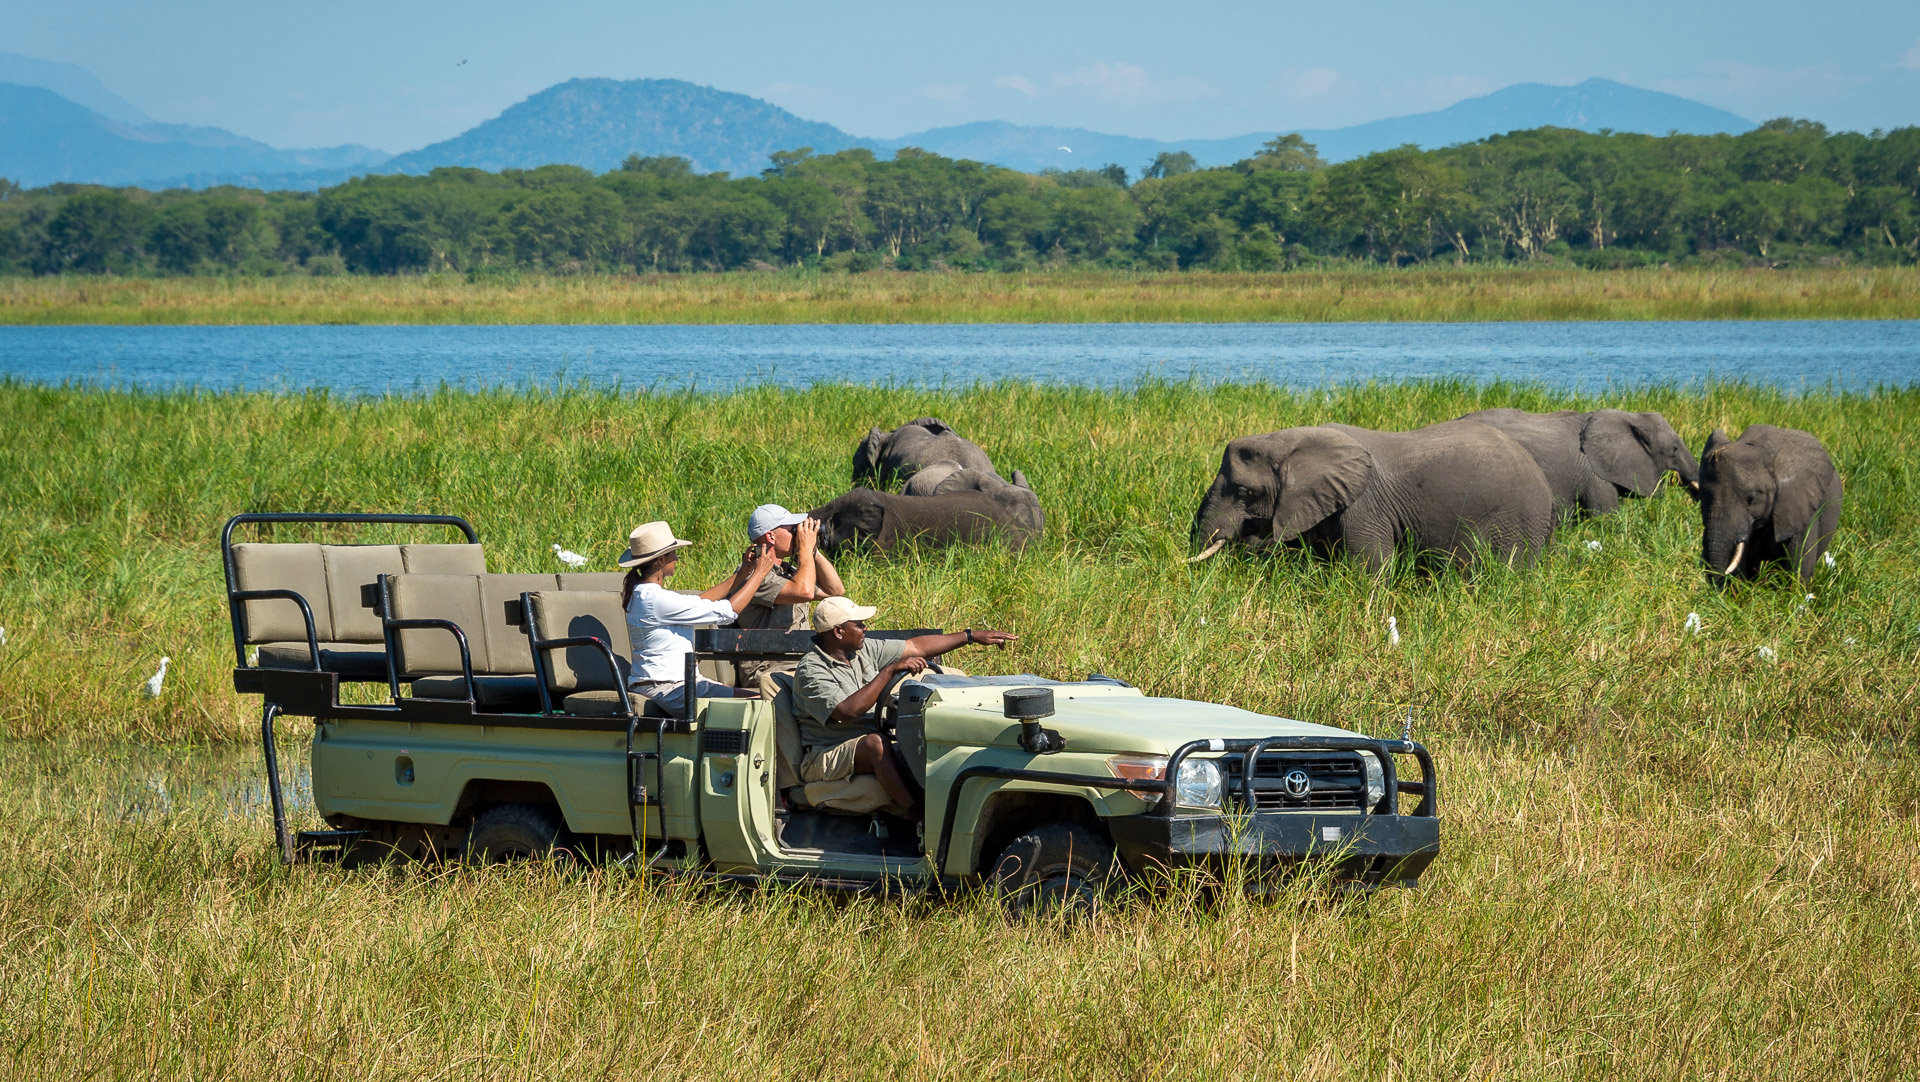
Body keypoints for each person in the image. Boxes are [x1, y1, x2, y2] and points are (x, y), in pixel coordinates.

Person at [793, 595, 1017, 814]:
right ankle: (916, 817)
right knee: (876, 745)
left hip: (869, 737)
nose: (865, 629)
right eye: (859, 625)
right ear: (839, 631)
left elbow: (916, 647)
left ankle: (952, 812)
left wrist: (970, 636)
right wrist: (888, 671)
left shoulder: (861, 650)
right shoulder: (811, 670)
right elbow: (848, 712)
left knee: (920, 743)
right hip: (825, 753)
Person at [619, 520, 779, 717]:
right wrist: (760, 574)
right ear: (660, 560)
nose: (677, 558)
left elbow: (699, 601)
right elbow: (728, 610)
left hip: (673, 684)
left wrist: (744, 572)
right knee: (762, 704)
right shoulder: (654, 599)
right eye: (673, 553)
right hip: (667, 688)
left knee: (758, 699)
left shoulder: (646, 595)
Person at [728, 504, 846, 689]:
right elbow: (804, 591)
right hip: (769, 669)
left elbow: (835, 590)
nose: (797, 534)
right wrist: (805, 550)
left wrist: (812, 550)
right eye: (792, 530)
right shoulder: (753, 575)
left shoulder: (787, 573)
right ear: (770, 536)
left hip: (800, 663)